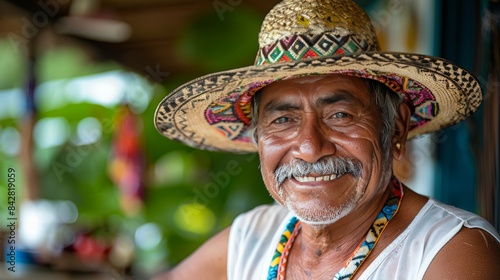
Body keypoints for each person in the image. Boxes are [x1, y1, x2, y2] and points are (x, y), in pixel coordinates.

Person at [153, 0, 500, 279]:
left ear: (395, 127)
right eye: (284, 119)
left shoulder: (451, 251)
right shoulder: (254, 236)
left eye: (340, 115)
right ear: (259, 139)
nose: (309, 146)